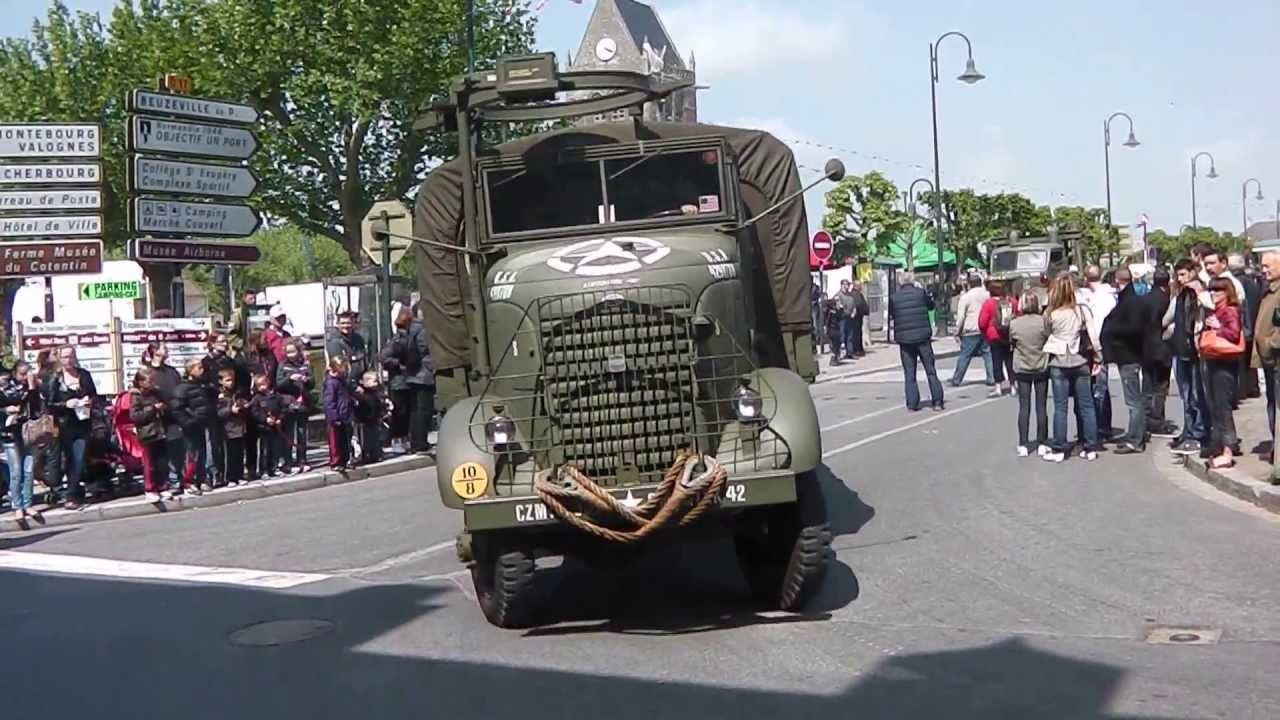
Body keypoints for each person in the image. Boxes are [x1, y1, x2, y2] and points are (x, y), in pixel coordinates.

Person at [1043, 272, 1100, 463]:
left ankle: (1059, 448)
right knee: (1087, 405)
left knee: (1060, 407)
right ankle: (1090, 446)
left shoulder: (1051, 313)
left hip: (1059, 361)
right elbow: (1093, 338)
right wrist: (1098, 358)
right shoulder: (1082, 311)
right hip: (1080, 360)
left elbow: (1046, 332)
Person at [1100, 268, 1148, 454]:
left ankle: (1135, 439)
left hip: (1129, 356)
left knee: (1133, 400)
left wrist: (1113, 330)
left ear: (1118, 281)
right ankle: (1134, 436)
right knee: (1133, 400)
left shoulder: (1130, 302)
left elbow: (1134, 328)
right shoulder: (1128, 299)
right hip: (1127, 355)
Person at [44, 345, 98, 509]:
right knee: (68, 460)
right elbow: (50, 404)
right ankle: (69, 493)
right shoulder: (55, 378)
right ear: (60, 359)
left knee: (78, 459)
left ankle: (72, 493)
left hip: (83, 422)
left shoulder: (84, 375)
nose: (69, 360)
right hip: (63, 425)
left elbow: (94, 394)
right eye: (65, 357)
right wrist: (66, 404)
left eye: (71, 356)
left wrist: (89, 401)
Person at [1168, 259, 1210, 455]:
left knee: (1196, 394)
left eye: (1184, 274)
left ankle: (1199, 434)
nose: (1180, 278)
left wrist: (1199, 291)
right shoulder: (1182, 293)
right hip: (1181, 348)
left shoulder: (1198, 292)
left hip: (1193, 350)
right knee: (1186, 394)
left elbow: (1201, 317)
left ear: (1193, 272)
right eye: (1178, 274)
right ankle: (1189, 430)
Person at [1202, 277, 1244, 469]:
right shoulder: (1218, 310)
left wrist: (1218, 328)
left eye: (1218, 291)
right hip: (1215, 360)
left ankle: (1228, 450)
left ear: (1227, 292)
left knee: (1223, 406)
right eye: (1212, 291)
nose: (1213, 294)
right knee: (1217, 406)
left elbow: (1234, 333)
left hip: (1225, 364)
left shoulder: (1230, 310)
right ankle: (1220, 446)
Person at [382, 302, 435, 454]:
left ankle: (416, 442)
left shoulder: (408, 330)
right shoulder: (420, 329)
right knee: (422, 410)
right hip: (422, 373)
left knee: (415, 410)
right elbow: (424, 349)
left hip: (413, 375)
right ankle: (419, 443)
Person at [888, 272, 944, 412]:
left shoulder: (894, 297)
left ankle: (912, 403)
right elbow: (931, 306)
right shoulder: (920, 293)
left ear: (900, 282)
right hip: (922, 337)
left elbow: (892, 314)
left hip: (905, 339)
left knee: (909, 373)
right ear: (913, 281)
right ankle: (937, 401)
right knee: (930, 370)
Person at [1009, 292, 1050, 457]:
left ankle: (1024, 443)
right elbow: (1049, 339)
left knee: (1024, 406)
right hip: (1041, 365)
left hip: (1022, 367)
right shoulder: (1043, 322)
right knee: (1041, 407)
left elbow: (1011, 342)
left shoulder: (1015, 324)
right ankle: (1042, 442)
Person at [129, 367, 179, 502]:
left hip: (160, 430)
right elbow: (135, 416)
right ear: (140, 382)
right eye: (149, 381)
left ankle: (163, 486)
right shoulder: (136, 396)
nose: (152, 383)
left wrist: (163, 408)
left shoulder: (156, 393)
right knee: (149, 463)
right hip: (147, 433)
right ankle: (150, 489)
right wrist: (152, 409)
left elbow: (165, 405)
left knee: (162, 462)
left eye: (153, 380)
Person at [142, 342, 186, 492]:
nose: (167, 350)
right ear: (155, 351)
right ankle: (163, 482)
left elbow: (180, 389)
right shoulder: (147, 372)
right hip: (157, 418)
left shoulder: (172, 371)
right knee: (159, 455)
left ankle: (176, 480)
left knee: (177, 449)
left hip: (174, 416)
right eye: (163, 347)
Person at [1142, 269, 1176, 439]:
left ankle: (1145, 418)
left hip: (1146, 347)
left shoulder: (1145, 299)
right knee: (1161, 386)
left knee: (1147, 385)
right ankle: (1157, 419)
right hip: (1162, 346)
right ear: (1167, 282)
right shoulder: (1166, 300)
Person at [1253, 252, 1280, 454]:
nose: (1263, 270)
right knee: (1272, 402)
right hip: (1269, 360)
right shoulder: (1268, 290)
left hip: (1276, 358)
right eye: (1262, 267)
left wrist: (1270, 343)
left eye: (1267, 266)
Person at [2, 363, 36, 523]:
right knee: (16, 472)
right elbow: (12, 401)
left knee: (28, 470)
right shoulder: (7, 391)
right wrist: (5, 409)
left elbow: (33, 402)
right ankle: (17, 506)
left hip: (27, 432)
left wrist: (32, 386)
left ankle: (28, 503)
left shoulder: (22, 388)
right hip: (8, 435)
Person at [275, 339, 314, 474]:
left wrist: (306, 379)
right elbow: (279, 384)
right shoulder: (282, 365)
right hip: (288, 404)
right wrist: (290, 379)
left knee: (302, 434)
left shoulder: (305, 364)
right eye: (288, 352)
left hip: (303, 403)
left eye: (293, 351)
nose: (291, 354)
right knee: (289, 434)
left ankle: (302, 459)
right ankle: (287, 461)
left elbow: (312, 382)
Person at [174, 359, 214, 492]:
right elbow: (177, 408)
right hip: (190, 427)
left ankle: (201, 479)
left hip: (202, 425)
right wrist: (187, 422)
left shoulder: (202, 385)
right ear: (190, 370)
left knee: (202, 454)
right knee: (190, 455)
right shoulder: (182, 388)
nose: (202, 370)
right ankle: (188, 482)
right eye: (199, 368)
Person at [951, 274, 994, 387]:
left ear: (969, 284)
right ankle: (992, 377)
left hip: (971, 329)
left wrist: (957, 331)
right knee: (988, 354)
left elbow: (961, 317)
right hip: (985, 328)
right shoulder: (988, 295)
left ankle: (957, 379)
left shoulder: (966, 297)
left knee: (965, 356)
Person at [978, 280, 1018, 397]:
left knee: (997, 362)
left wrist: (985, 334)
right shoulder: (1012, 302)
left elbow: (982, 322)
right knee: (1010, 362)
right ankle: (1013, 387)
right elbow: (1018, 314)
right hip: (1009, 335)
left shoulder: (989, 303)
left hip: (994, 335)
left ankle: (998, 387)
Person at [216, 368, 249, 486]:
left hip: (239, 427)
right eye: (228, 380)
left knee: (239, 454)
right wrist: (230, 410)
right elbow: (219, 413)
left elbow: (242, 403)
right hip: (228, 429)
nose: (231, 383)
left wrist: (244, 405)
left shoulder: (236, 393)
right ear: (221, 381)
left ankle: (239, 475)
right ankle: (230, 477)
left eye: (232, 380)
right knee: (230, 455)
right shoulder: (220, 396)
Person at [248, 372, 285, 478]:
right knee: (264, 450)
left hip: (276, 428)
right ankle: (263, 470)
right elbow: (255, 413)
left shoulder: (276, 396)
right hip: (264, 429)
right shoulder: (257, 398)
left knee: (275, 449)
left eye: (263, 384)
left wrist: (279, 419)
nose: (262, 387)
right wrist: (265, 419)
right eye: (259, 386)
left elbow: (282, 409)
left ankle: (274, 468)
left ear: (268, 382)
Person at [322, 356, 356, 470]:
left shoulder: (343, 381)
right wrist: (334, 417)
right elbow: (329, 402)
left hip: (345, 415)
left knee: (345, 440)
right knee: (335, 442)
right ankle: (336, 462)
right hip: (336, 417)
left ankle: (346, 460)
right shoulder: (331, 383)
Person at [355, 370, 389, 465]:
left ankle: (376, 454)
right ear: (365, 382)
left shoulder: (375, 394)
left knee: (375, 437)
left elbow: (378, 405)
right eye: (374, 381)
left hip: (374, 419)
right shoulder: (363, 395)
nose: (376, 383)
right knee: (367, 439)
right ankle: (367, 455)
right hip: (366, 420)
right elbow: (361, 408)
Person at [327, 310, 369, 384]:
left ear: (353, 323)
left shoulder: (358, 339)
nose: (346, 326)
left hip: (360, 381)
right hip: (343, 385)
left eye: (348, 323)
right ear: (337, 324)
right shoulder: (334, 342)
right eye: (343, 323)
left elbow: (364, 361)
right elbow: (339, 369)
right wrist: (354, 387)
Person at [262, 305, 291, 387]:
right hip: (273, 373)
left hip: (286, 371)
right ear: (271, 319)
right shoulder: (266, 335)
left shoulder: (287, 334)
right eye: (278, 317)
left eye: (283, 316)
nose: (281, 319)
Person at [226, 288, 260, 358]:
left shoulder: (254, 313)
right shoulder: (237, 314)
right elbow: (230, 334)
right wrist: (242, 344)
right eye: (250, 298)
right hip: (240, 352)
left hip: (254, 350)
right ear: (244, 299)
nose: (253, 301)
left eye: (254, 298)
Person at [848, 281, 870, 358]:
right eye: (860, 286)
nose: (861, 287)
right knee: (856, 334)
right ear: (856, 286)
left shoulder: (857, 294)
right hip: (856, 317)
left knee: (858, 333)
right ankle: (857, 350)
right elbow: (858, 304)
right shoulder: (855, 294)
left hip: (858, 317)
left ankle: (858, 349)